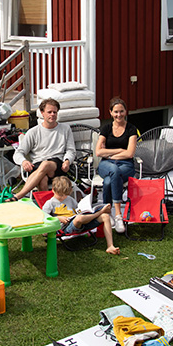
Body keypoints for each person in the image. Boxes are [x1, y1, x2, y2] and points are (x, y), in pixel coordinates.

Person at [11, 98, 76, 200]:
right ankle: (46, 209)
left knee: (46, 164)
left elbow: (71, 150)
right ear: (42, 113)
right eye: (49, 112)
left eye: (55, 112)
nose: (52, 114)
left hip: (58, 165)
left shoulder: (65, 129)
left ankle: (20, 195)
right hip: (38, 166)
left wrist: (67, 160)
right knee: (42, 179)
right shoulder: (33, 132)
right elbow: (18, 153)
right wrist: (23, 162)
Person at [42, 176, 120, 255]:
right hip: (65, 227)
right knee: (79, 218)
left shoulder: (70, 199)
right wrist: (58, 218)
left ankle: (110, 246)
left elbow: (78, 210)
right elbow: (43, 217)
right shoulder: (50, 203)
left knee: (105, 216)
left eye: (65, 195)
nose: (63, 197)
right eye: (60, 195)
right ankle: (99, 212)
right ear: (53, 190)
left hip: (81, 222)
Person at [95, 97, 137, 233]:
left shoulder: (131, 129)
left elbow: (130, 153)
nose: (119, 115)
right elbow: (98, 151)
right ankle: (118, 215)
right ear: (111, 112)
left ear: (126, 112)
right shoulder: (106, 128)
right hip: (106, 164)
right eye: (116, 112)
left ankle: (109, 213)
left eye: (121, 111)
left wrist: (109, 154)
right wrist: (119, 151)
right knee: (113, 170)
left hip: (126, 165)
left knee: (108, 181)